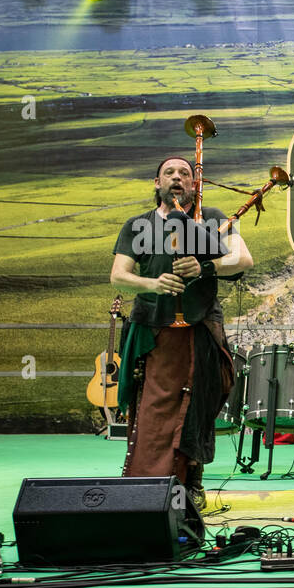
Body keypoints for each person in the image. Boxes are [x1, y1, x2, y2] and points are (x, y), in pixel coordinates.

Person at [111, 156, 252, 510]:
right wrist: (153, 284)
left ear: (195, 184)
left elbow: (243, 259)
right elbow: (118, 275)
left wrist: (207, 266)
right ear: (156, 184)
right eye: (169, 173)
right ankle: (146, 483)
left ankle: (191, 482)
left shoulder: (213, 219)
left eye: (185, 174)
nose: (177, 178)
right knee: (153, 407)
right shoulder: (138, 225)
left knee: (198, 405)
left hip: (200, 325)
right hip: (153, 328)